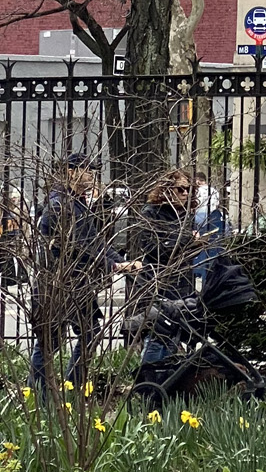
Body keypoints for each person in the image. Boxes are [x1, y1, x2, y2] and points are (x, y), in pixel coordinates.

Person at [29, 158, 119, 391]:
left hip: (76, 284)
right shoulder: (60, 205)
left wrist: (119, 261)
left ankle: (69, 388)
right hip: (58, 285)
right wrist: (111, 265)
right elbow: (74, 246)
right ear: (71, 172)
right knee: (51, 342)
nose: (91, 175)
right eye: (87, 170)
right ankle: (39, 393)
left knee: (86, 334)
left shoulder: (76, 203)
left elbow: (95, 240)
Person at [137, 169, 200, 374]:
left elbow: (185, 250)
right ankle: (146, 379)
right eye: (180, 189)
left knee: (174, 334)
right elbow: (153, 248)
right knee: (158, 333)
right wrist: (186, 240)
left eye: (189, 189)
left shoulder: (185, 215)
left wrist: (197, 243)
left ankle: (163, 380)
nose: (185, 193)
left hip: (182, 281)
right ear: (166, 190)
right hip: (160, 281)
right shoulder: (152, 213)